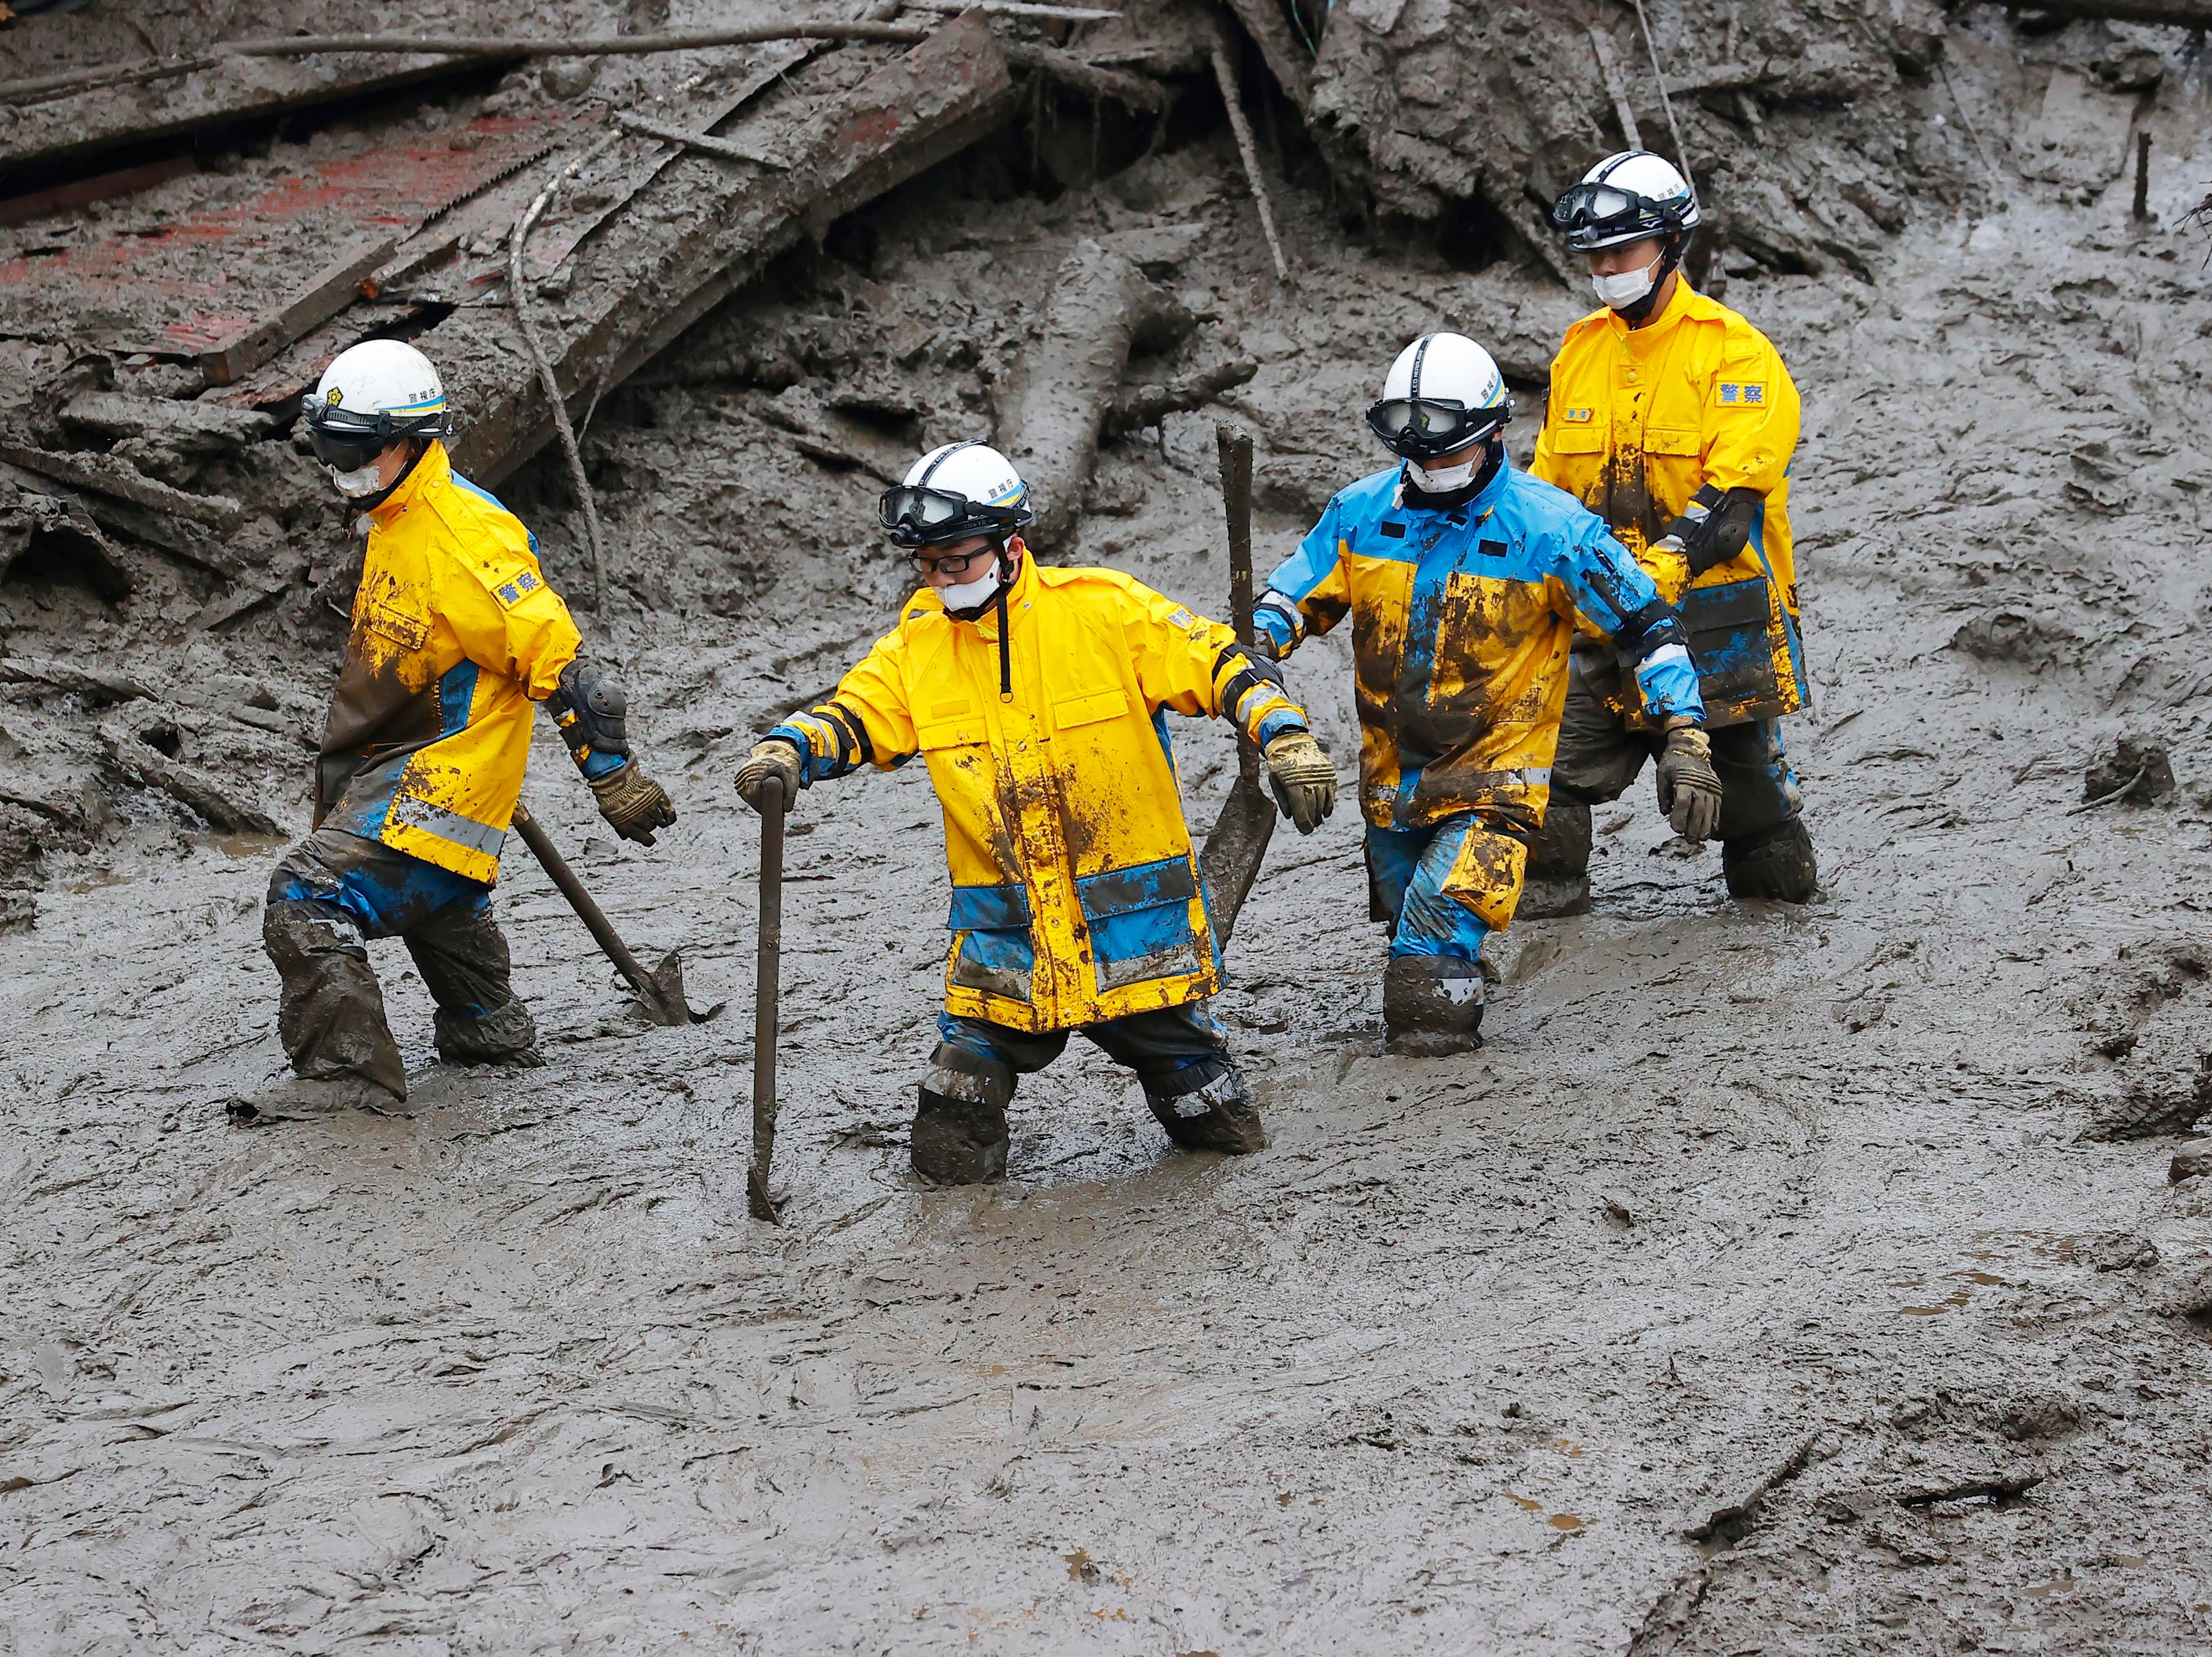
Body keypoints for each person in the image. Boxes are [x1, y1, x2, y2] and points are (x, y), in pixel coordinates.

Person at [733, 440, 1336, 1185]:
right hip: (1006, 945)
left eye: (958, 560)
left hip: (1135, 940)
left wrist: (1286, 736)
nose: (942, 579)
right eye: (930, 565)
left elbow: (1220, 662)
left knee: (1213, 1125)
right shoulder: (917, 647)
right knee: (949, 1133)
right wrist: (789, 749)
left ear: (1011, 546)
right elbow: (852, 716)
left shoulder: (1106, 611)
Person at [234, 340, 675, 1124]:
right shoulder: (395, 511)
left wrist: (613, 774)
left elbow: (568, 667)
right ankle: (488, 1033)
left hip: (431, 786)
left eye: (356, 449)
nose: (341, 466)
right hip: (409, 770)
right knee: (440, 902)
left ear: (409, 440)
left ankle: (345, 1078)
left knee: (307, 893)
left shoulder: (466, 537)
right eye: (328, 446)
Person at [1251, 332, 1712, 1054]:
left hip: (1498, 785)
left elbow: (1650, 627)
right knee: (1415, 933)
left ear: (1492, 431)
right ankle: (1457, 974)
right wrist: (1252, 656)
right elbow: (1288, 600)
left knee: (1424, 986)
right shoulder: (1360, 513)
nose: (1427, 463)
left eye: (1444, 446)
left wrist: (1685, 734)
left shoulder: (1555, 530)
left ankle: (1430, 1119)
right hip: (1392, 786)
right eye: (1412, 448)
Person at [1525, 150, 1817, 914]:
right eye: (1595, 253)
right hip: (1599, 628)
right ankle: (1550, 919)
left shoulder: (1734, 351)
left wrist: (1648, 582)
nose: (1606, 267)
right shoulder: (1579, 352)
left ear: (1673, 245)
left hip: (1718, 627)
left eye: (1622, 249)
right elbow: (1546, 498)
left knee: (1763, 846)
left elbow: (1727, 513)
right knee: (1541, 775)